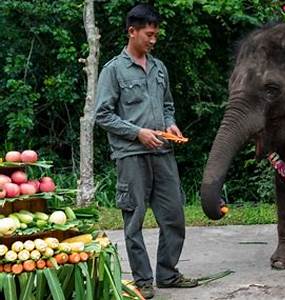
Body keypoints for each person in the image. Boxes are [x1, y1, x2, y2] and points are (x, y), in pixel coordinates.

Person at [95, 4, 198, 299]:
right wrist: (137, 133)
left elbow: (166, 105)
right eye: (149, 35)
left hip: (163, 153)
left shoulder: (159, 67)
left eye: (156, 35)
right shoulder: (113, 70)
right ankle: (143, 280)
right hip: (131, 156)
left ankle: (167, 273)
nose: (153, 40)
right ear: (132, 31)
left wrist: (171, 124)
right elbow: (102, 115)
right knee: (134, 220)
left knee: (174, 215)